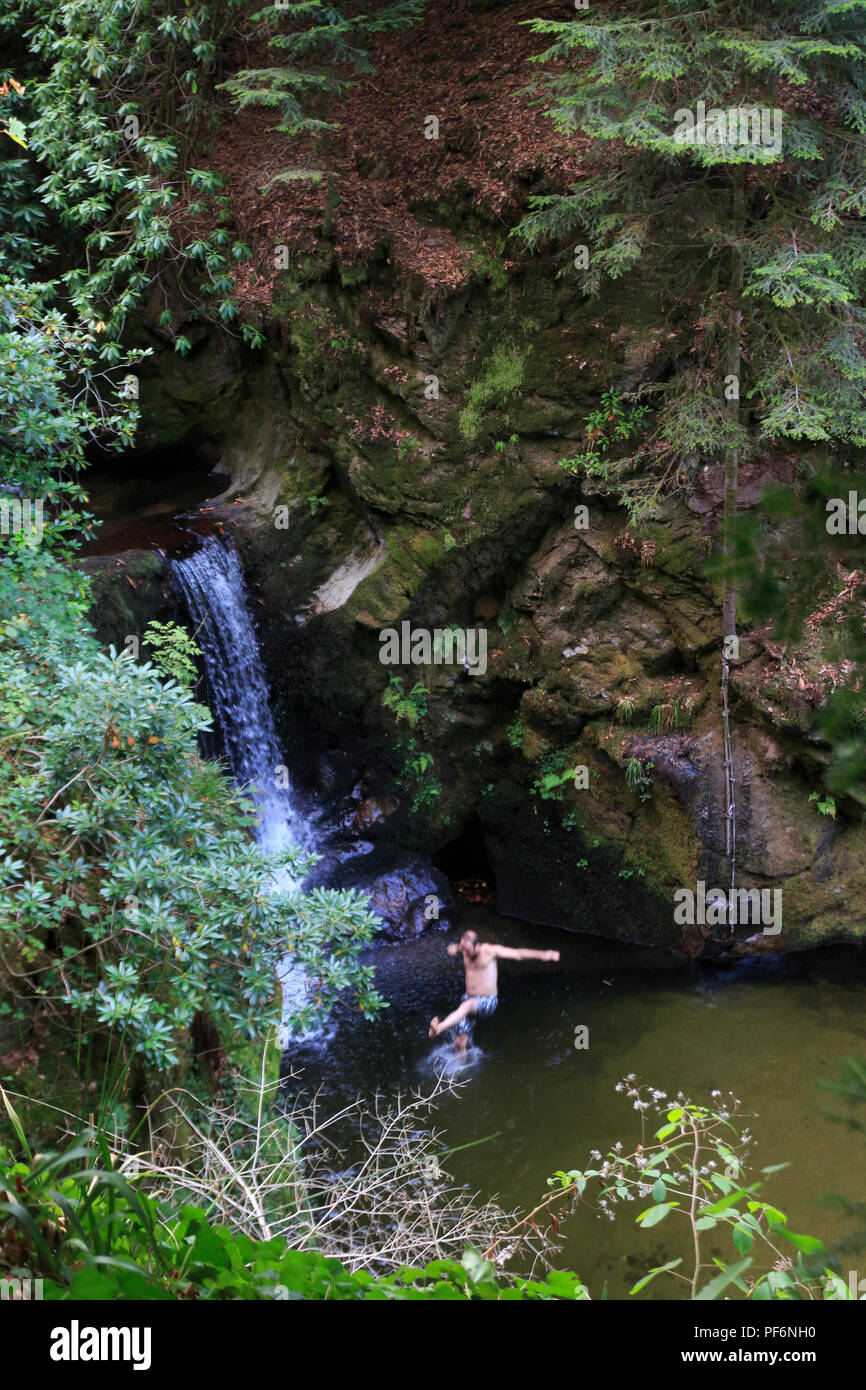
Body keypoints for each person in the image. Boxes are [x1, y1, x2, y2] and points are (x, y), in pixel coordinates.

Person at [428, 928, 560, 1053]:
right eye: (464, 950)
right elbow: (459, 947)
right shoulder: (464, 948)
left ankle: (438, 1029)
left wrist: (543, 954)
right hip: (469, 1000)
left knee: (465, 1006)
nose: (466, 953)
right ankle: (457, 1074)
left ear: (477, 945)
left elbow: (518, 954)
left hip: (487, 1002)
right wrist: (455, 949)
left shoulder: (490, 951)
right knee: (459, 1043)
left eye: (468, 950)